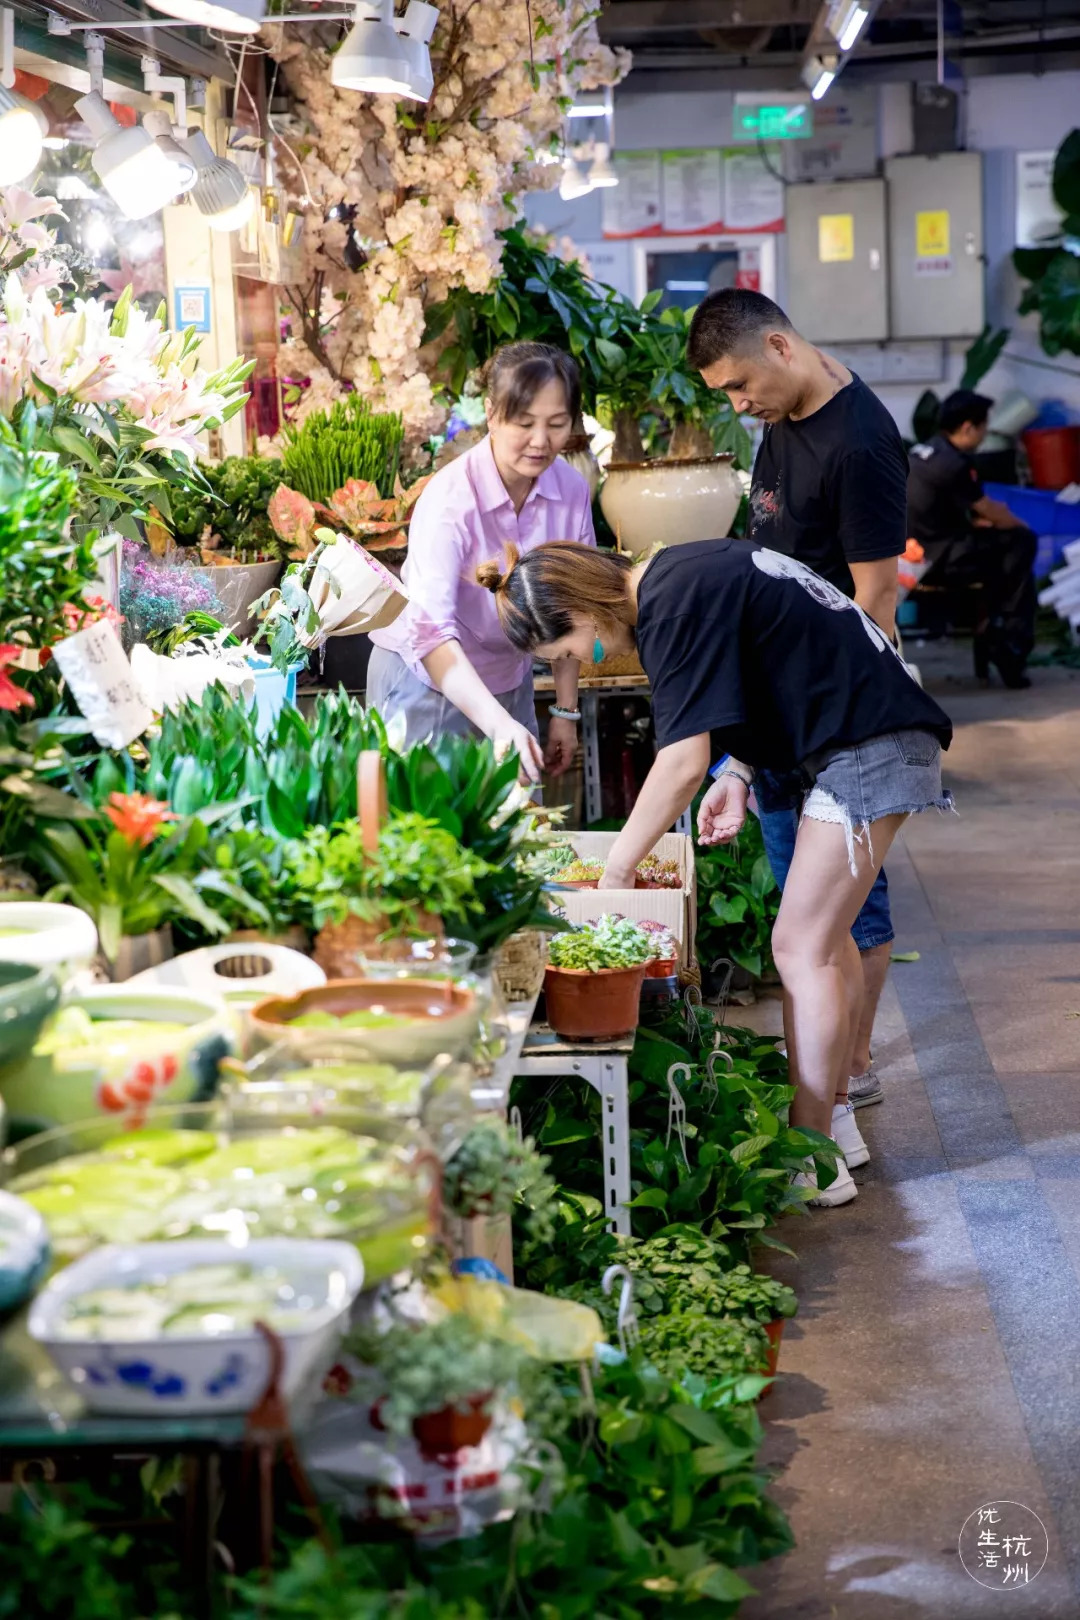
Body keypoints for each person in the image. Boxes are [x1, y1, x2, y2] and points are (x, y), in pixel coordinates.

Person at [478, 538, 954, 1206]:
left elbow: (679, 763)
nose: (585, 664)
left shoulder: (670, 603)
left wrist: (615, 872)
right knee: (824, 941)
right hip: (877, 737)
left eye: (567, 653)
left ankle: (809, 1161)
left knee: (797, 948)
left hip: (873, 748)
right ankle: (835, 1126)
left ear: (583, 609)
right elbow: (770, 669)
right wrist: (740, 770)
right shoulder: (682, 576)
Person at [686, 287, 909, 1126]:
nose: (740, 406)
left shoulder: (859, 443)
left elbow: (876, 596)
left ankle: (849, 1068)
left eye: (741, 385)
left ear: (780, 346)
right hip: (785, 705)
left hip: (840, 713)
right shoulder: (781, 420)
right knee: (805, 911)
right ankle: (829, 1066)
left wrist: (834, 727)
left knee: (849, 909)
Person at [367, 342, 595, 780]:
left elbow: (572, 608)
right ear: (491, 413)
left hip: (510, 677)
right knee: (428, 832)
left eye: (557, 424)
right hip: (426, 680)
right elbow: (431, 634)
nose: (540, 441)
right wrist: (496, 725)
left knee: (517, 829)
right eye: (524, 423)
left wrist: (565, 712)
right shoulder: (450, 499)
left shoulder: (570, 489)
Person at [908, 389, 1037, 689]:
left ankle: (998, 629)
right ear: (968, 427)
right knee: (1021, 541)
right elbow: (995, 514)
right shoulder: (955, 464)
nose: (983, 436)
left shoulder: (924, 451)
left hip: (915, 549)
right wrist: (1018, 523)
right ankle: (1009, 641)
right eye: (983, 428)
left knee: (1003, 559)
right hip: (937, 559)